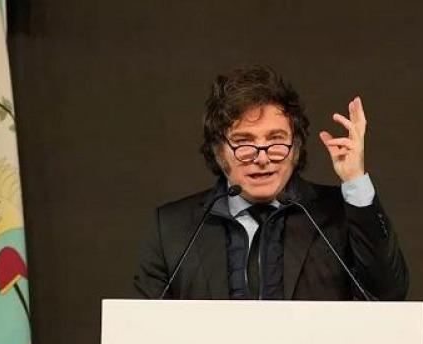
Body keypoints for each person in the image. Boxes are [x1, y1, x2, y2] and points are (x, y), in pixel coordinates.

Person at [133, 64, 408, 300]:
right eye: (244, 142)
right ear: (218, 151)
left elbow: (389, 294)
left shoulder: (339, 214)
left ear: (296, 147)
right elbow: (141, 330)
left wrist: (355, 180)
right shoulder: (173, 228)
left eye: (276, 140)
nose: (262, 158)